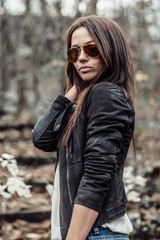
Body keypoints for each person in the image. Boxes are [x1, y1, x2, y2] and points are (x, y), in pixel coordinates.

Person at [32, 15, 136, 240]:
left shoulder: (105, 94)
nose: (81, 58)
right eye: (74, 52)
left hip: (95, 233)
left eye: (91, 49)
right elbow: (41, 138)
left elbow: (97, 176)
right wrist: (72, 93)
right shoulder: (86, 98)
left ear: (111, 49)